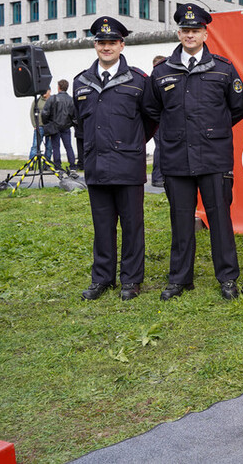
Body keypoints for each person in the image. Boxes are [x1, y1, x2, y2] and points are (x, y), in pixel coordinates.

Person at [142, 3, 243, 301]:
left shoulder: (223, 68)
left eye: (195, 30)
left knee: (220, 220)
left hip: (214, 156)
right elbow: (152, 109)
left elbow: (238, 106)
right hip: (176, 157)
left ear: (205, 33)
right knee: (181, 220)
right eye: (185, 30)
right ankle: (180, 279)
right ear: (179, 33)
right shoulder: (162, 72)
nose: (190, 35)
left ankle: (227, 278)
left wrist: (212, 128)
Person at [74, 17, 155, 301]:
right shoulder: (81, 81)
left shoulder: (139, 80)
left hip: (128, 165)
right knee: (102, 226)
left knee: (132, 226)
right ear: (95, 45)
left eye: (112, 42)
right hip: (96, 165)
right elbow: (80, 126)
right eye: (101, 42)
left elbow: (150, 119)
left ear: (122, 44)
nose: (106, 47)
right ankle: (102, 278)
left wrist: (131, 143)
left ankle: (131, 280)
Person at [41, 79, 78, 170]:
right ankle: (72, 166)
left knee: (56, 147)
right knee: (68, 147)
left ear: (59, 87)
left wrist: (47, 123)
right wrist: (71, 124)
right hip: (66, 127)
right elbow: (75, 115)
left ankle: (57, 166)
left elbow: (44, 113)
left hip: (54, 126)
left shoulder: (52, 98)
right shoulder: (70, 99)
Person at [150, 55, 167, 187]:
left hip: (163, 119)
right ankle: (157, 177)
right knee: (160, 148)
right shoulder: (155, 80)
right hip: (159, 119)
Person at [28, 88, 51, 160]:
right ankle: (31, 164)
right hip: (39, 127)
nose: (44, 93)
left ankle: (46, 165)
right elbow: (32, 113)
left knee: (49, 147)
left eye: (45, 91)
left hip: (50, 127)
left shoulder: (53, 100)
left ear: (49, 91)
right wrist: (34, 125)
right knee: (35, 146)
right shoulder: (37, 101)